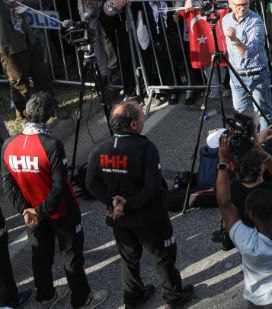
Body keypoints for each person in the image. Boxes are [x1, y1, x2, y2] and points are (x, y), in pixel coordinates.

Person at [84, 100, 195, 308]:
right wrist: (127, 204)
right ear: (133, 125)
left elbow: (91, 182)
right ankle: (174, 296)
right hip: (149, 217)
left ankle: (133, 297)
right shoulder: (145, 148)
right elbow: (153, 188)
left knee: (128, 258)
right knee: (163, 255)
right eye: (142, 116)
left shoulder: (98, 149)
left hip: (119, 219)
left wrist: (112, 202)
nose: (144, 118)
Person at [1, 92, 104, 309]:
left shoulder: (8, 144)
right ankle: (82, 298)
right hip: (61, 212)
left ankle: (46, 298)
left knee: (40, 256)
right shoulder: (51, 145)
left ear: (26, 113)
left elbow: (8, 183)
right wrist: (39, 211)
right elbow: (59, 186)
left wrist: (27, 211)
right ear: (51, 115)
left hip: (32, 215)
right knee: (71, 255)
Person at [216, 128, 272, 307]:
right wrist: (262, 153)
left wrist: (223, 161)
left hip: (261, 301)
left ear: (249, 214)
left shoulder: (247, 242)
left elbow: (224, 203)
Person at [222, 0, 272, 132]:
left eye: (246, 4)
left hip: (256, 74)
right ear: (230, 4)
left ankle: (267, 143)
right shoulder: (226, 19)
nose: (243, 8)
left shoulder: (255, 21)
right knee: (240, 111)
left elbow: (249, 53)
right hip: (235, 74)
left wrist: (235, 40)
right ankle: (246, 142)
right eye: (238, 5)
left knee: (264, 112)